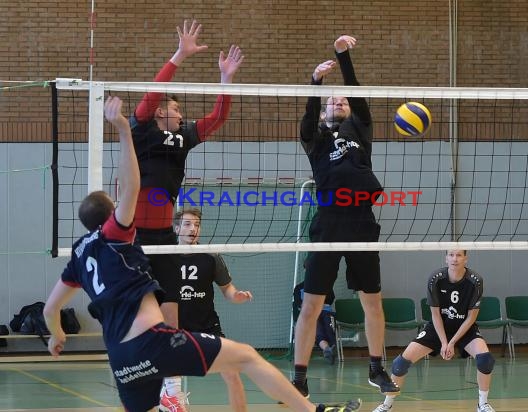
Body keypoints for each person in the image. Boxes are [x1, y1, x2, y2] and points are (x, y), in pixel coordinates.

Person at [43, 96, 362, 412]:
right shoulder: (118, 234)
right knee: (248, 356)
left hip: (120, 357)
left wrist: (57, 335)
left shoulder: (78, 256)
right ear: (112, 215)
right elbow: (131, 186)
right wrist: (124, 131)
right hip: (154, 342)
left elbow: (50, 309)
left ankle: (173, 393)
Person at [130, 19, 243, 410]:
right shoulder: (142, 126)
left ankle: (173, 393)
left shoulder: (182, 137)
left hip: (163, 237)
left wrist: (225, 80)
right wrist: (179, 55)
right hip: (132, 235)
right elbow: (150, 97)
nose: (182, 115)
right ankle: (141, 380)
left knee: (171, 316)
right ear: (162, 111)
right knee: (138, 315)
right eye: (176, 109)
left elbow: (217, 118)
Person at [294, 34, 399, 399]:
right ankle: (300, 375)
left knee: (373, 300)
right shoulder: (315, 139)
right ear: (323, 111)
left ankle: (375, 367)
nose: (337, 101)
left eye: (341, 100)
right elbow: (308, 116)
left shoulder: (360, 130)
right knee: (311, 305)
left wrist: (343, 56)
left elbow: (355, 91)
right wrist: (315, 83)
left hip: (361, 223)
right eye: (330, 101)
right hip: (327, 224)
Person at [373, 250, 496, 412]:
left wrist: (452, 343)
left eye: (459, 255)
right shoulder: (436, 278)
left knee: (485, 359)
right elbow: (435, 314)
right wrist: (444, 342)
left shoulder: (475, 281)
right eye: (451, 255)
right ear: (446, 258)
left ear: (465, 259)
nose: (455, 259)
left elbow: (471, 317)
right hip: (438, 328)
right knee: (400, 363)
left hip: (464, 328)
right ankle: (387, 405)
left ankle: (482, 404)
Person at [160, 207, 253, 411]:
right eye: (187, 224)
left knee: (231, 370)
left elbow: (228, 290)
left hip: (206, 324)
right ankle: (171, 397)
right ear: (176, 229)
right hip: (176, 323)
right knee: (170, 359)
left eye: (197, 225)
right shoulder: (163, 256)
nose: (193, 229)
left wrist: (237, 296)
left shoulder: (211, 256)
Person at [294, 281, 337, 364]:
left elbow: (331, 298)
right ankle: (326, 348)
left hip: (326, 312)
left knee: (329, 327)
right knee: (316, 328)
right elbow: (298, 303)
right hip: (311, 313)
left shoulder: (326, 285)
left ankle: (331, 348)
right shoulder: (299, 288)